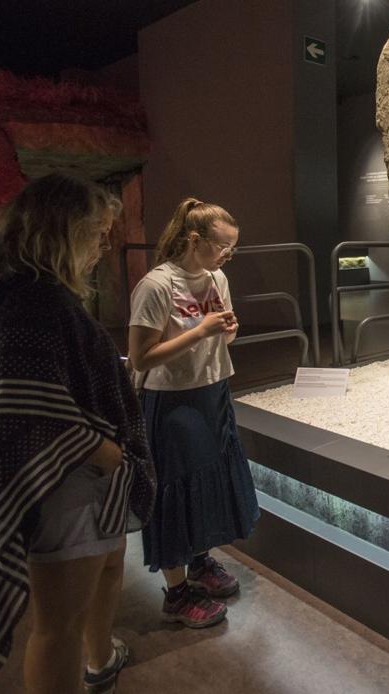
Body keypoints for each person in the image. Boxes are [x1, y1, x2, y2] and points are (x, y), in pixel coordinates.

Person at [0, 173, 156, 694]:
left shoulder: (16, 291)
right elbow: (30, 408)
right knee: (56, 627)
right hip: (62, 481)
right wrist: (106, 453)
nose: (104, 244)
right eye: (96, 232)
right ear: (62, 228)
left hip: (72, 480)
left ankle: (102, 659)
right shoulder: (32, 302)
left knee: (100, 575)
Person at [128, 198, 259, 629]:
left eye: (232, 249)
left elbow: (222, 337)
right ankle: (176, 591)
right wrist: (200, 330)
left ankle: (200, 560)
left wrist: (225, 331)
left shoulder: (216, 277)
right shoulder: (156, 286)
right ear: (194, 239)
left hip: (213, 391)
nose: (227, 256)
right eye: (222, 247)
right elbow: (142, 359)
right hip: (173, 400)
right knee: (176, 487)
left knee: (208, 481)